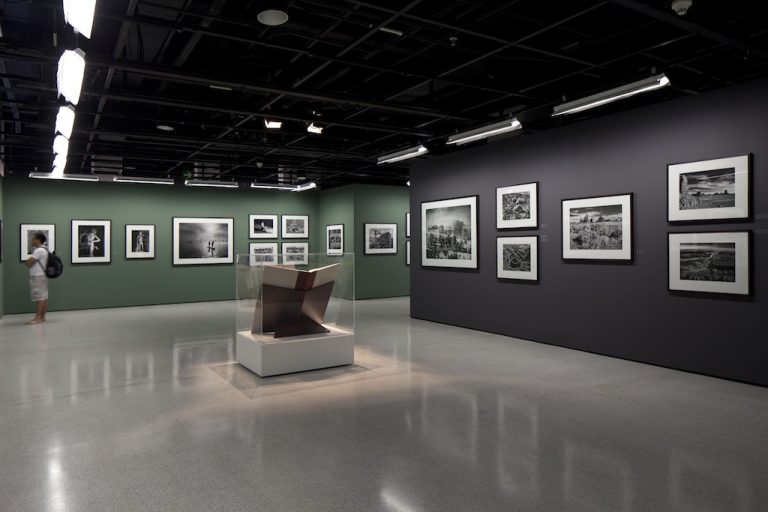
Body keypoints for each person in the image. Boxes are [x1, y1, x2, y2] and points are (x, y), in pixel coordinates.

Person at [24, 232, 49, 325]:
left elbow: (29, 263)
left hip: (38, 276)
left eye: (34, 238)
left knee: (39, 297)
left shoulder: (39, 250)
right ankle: (42, 317)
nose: (32, 240)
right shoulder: (45, 249)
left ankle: (38, 317)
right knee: (44, 296)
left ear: (38, 240)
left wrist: (28, 261)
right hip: (42, 275)